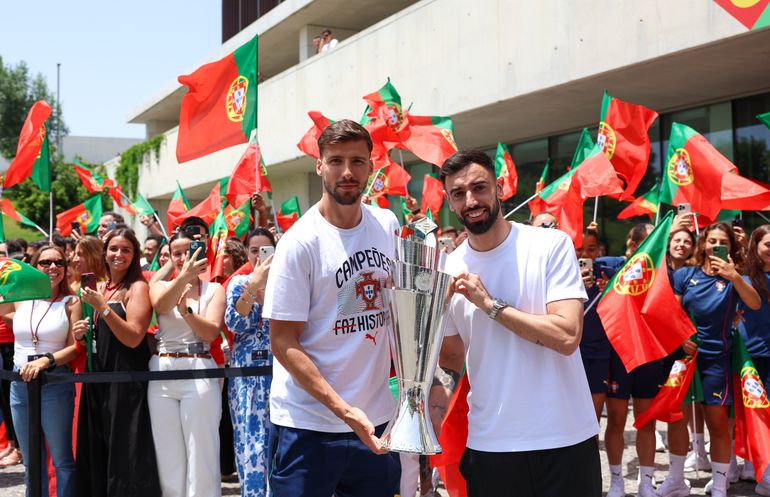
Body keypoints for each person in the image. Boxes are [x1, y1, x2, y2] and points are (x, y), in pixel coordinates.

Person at [437, 150, 600, 496]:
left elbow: (568, 334)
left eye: (479, 187)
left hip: (564, 437)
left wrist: (490, 305)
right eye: (458, 193)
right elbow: (452, 357)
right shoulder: (447, 268)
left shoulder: (548, 245)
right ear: (450, 202)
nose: (471, 200)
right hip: (491, 443)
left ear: (499, 187)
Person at [263, 120, 401, 496]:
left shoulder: (387, 224)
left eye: (358, 161)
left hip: (375, 421)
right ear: (319, 166)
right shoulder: (299, 243)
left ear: (372, 166)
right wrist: (343, 410)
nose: (347, 172)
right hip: (308, 426)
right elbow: (283, 342)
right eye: (336, 160)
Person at [663, 222, 760, 497]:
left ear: (731, 248)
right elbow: (671, 312)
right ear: (703, 244)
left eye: (724, 242)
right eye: (712, 240)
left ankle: (719, 486)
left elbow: (754, 304)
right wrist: (681, 337)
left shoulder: (736, 276)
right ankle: (675, 480)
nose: (716, 245)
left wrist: (734, 277)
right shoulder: (685, 274)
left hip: (717, 359)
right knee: (676, 418)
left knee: (717, 423)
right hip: (685, 357)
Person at [75, 228, 161, 497]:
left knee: (126, 453)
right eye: (114, 248)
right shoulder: (100, 288)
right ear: (104, 252)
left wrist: (103, 308)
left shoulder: (137, 288)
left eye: (126, 249)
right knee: (99, 450)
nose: (118, 254)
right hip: (98, 379)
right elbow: (100, 337)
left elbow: (134, 337)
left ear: (135, 255)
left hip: (126, 381)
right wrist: (82, 332)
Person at [148, 230, 225, 497]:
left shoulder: (215, 289)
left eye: (187, 251)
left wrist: (187, 313)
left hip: (199, 368)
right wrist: (182, 276)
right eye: (176, 253)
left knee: (201, 450)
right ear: (168, 257)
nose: (183, 257)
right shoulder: (159, 284)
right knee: (168, 453)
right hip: (163, 371)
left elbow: (211, 332)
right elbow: (161, 303)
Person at [2, 245, 81, 496]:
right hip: (19, 384)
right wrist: (14, 274)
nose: (52, 267)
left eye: (58, 262)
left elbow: (74, 347)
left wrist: (46, 360)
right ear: (34, 266)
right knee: (31, 459)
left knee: (61, 459)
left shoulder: (71, 302)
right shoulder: (20, 300)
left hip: (54, 384)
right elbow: (4, 310)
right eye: (45, 263)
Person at [225, 228, 275, 497]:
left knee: (279, 449)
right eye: (253, 250)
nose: (259, 256)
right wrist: (254, 285)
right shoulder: (239, 282)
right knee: (250, 448)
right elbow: (235, 322)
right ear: (246, 252)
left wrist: (267, 287)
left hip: (280, 376)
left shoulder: (286, 281)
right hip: (246, 380)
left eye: (265, 250)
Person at [737, 224, 770, 495]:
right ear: (756, 246)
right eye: (768, 244)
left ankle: (765, 471)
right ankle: (750, 463)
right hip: (748, 355)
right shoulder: (742, 278)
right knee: (750, 411)